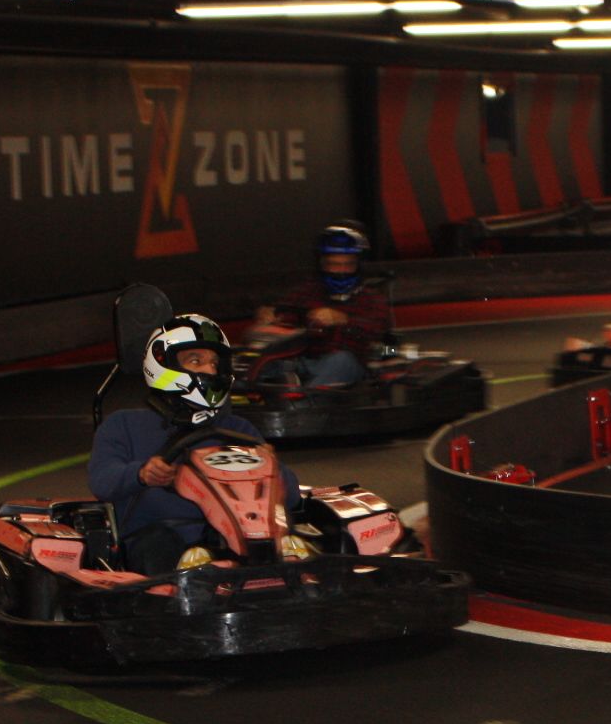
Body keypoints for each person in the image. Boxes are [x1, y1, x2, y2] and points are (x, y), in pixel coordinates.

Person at [88, 312, 297, 572]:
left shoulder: (237, 428)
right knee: (159, 546)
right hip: (157, 538)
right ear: (164, 365)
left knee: (303, 531)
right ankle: (193, 573)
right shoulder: (124, 424)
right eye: (196, 361)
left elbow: (292, 497)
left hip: (230, 537)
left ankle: (287, 569)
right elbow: (102, 481)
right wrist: (141, 474)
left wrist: (273, 472)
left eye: (214, 363)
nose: (210, 370)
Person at [255, 221, 389, 388]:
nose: (341, 271)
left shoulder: (371, 299)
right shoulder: (306, 292)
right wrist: (271, 316)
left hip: (350, 367)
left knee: (341, 359)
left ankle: (304, 400)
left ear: (358, 265)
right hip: (302, 362)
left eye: (348, 264)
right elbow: (284, 317)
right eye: (334, 264)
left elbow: (378, 330)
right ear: (322, 264)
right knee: (264, 360)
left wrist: (343, 319)